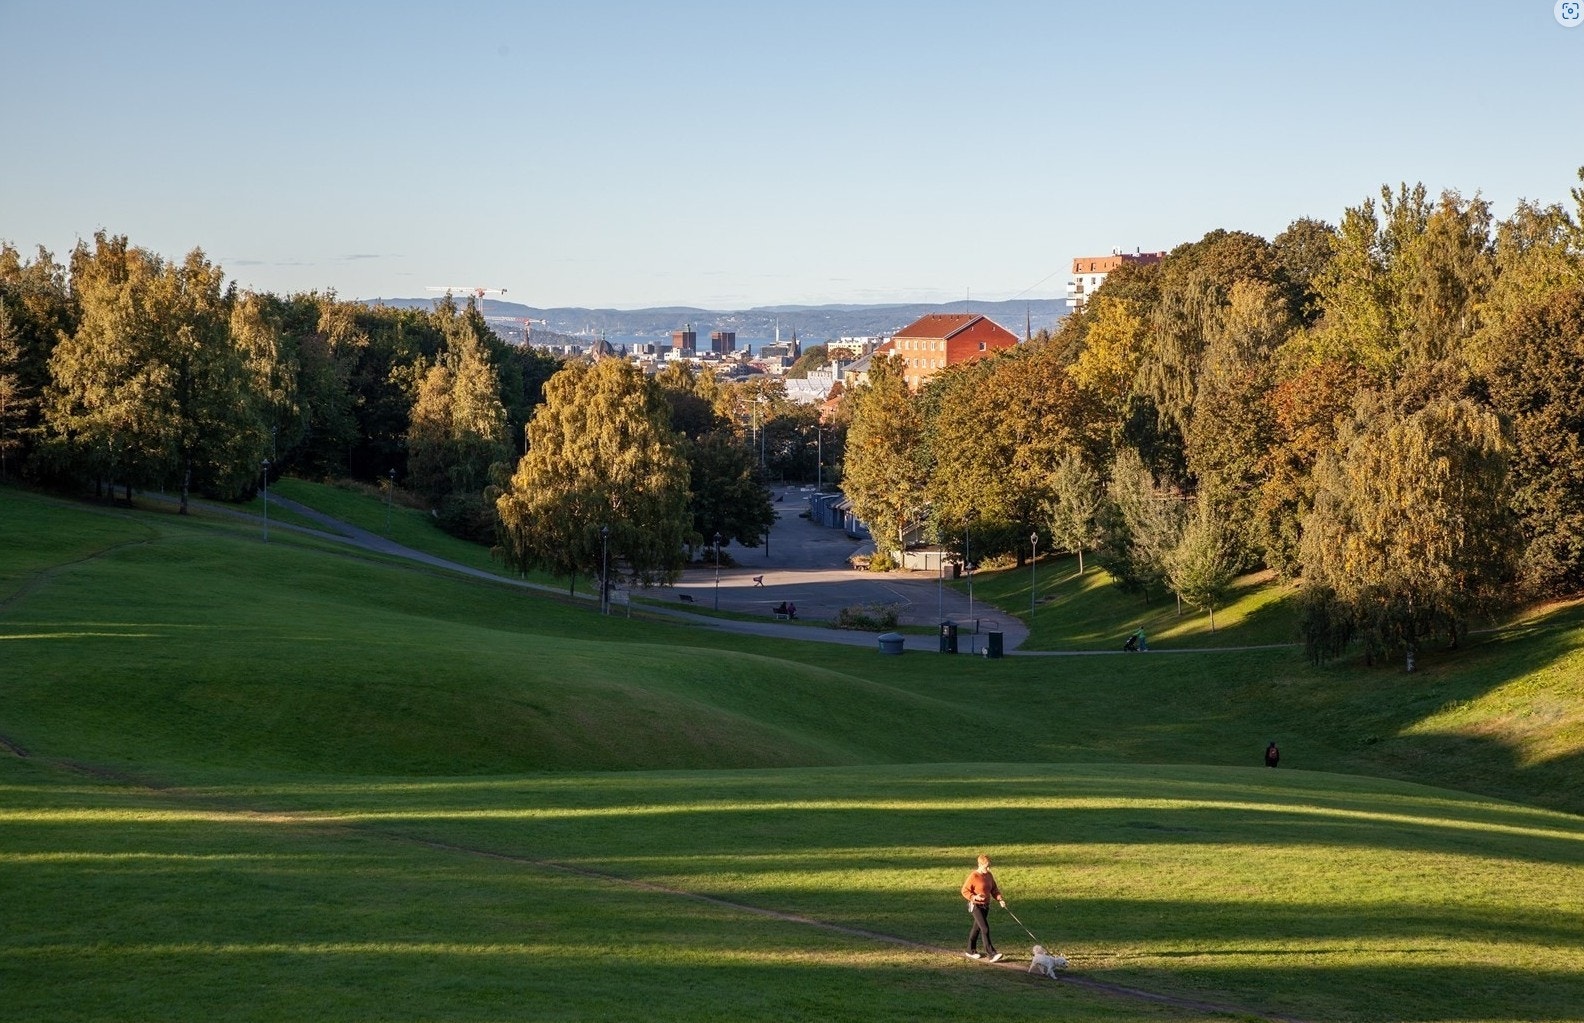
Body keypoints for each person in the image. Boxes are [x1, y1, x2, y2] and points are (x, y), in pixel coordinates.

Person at [960, 853, 1006, 962]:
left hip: (986, 906)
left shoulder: (989, 875)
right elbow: (964, 891)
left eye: (989, 865)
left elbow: (994, 889)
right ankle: (991, 954)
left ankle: (970, 950)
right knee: (985, 928)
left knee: (977, 928)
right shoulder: (974, 876)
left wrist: (1000, 899)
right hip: (975, 906)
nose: (989, 868)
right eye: (986, 866)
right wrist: (974, 897)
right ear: (980, 865)